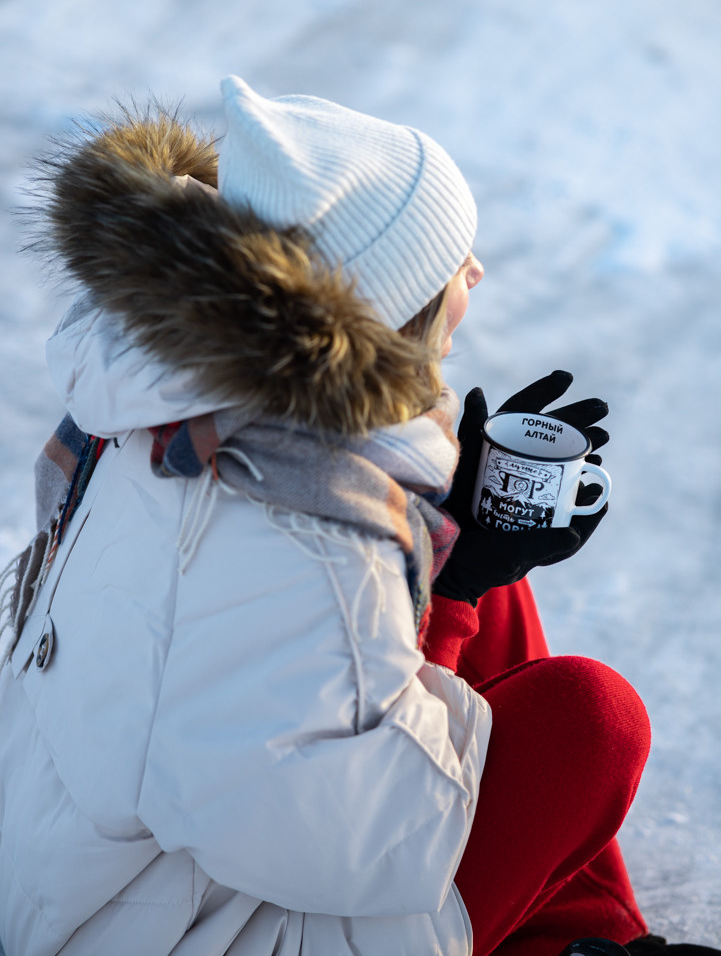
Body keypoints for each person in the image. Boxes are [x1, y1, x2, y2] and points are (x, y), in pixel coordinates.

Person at [0, 77, 715, 956]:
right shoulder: (302, 529)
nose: (476, 273)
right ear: (390, 304)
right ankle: (562, 937)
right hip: (167, 926)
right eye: (452, 260)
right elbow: (364, 847)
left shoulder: (177, 405)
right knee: (591, 720)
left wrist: (444, 543)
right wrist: (452, 591)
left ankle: (584, 929)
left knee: (473, 567)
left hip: (85, 859)